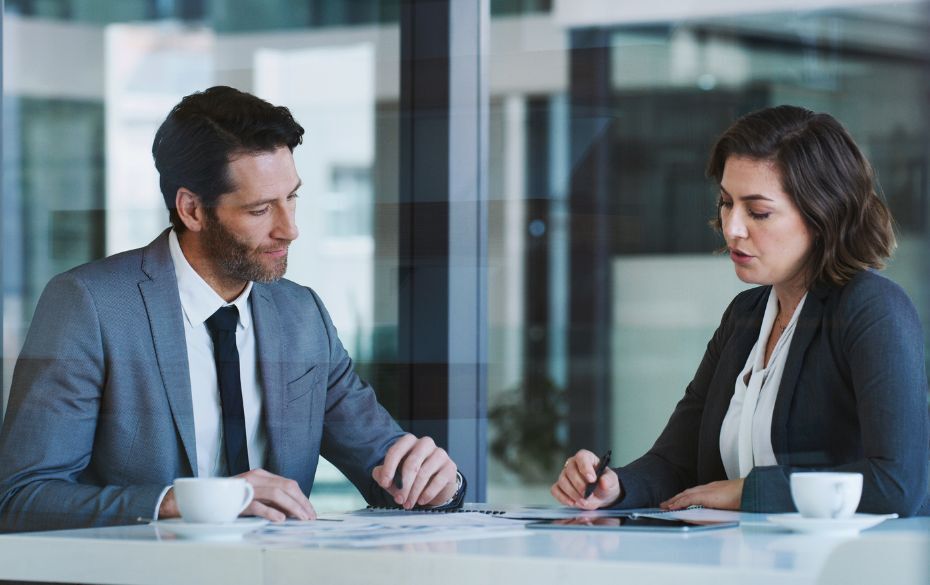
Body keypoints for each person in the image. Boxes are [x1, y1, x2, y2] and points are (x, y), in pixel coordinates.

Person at [0, 86, 465, 532]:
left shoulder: (302, 315)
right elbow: (22, 498)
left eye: (292, 198)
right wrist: (179, 503)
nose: (290, 229)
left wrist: (435, 483)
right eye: (261, 209)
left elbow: (389, 470)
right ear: (193, 210)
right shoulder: (90, 305)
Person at [552, 105, 930, 516]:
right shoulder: (745, 315)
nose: (732, 226)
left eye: (758, 212)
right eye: (727, 203)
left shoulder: (872, 308)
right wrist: (615, 486)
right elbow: (674, 461)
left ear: (823, 214)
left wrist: (748, 492)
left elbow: (897, 484)